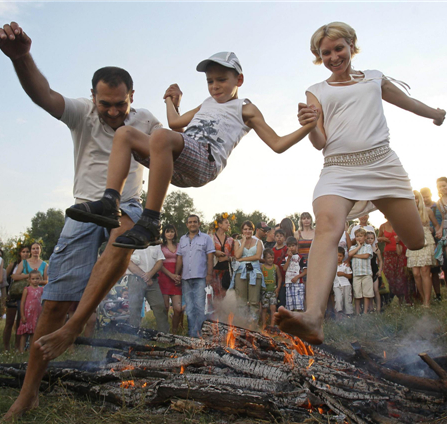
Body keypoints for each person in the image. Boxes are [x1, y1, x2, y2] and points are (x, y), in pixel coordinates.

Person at [0, 21, 163, 419]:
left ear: (131, 97)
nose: (113, 111)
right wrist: (22, 59)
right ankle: (28, 393)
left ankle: (77, 326)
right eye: (105, 104)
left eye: (120, 104)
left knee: (124, 237)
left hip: (129, 205)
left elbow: (170, 153)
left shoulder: (145, 120)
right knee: (53, 306)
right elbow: (44, 95)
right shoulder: (81, 113)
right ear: (93, 97)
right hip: (84, 209)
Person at [276, 21, 445, 343]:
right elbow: (320, 141)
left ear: (352, 45)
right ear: (318, 56)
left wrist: (435, 113)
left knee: (415, 241)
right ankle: (313, 317)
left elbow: (407, 102)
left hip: (382, 164)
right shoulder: (317, 90)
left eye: (339, 49)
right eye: (326, 53)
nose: (334, 56)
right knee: (327, 226)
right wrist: (311, 125)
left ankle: (382, 203)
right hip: (338, 168)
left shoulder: (373, 78)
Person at [66, 51, 318, 250]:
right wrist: (169, 100)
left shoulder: (245, 108)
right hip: (177, 162)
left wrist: (308, 126)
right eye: (210, 81)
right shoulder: (206, 103)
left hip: (205, 161)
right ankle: (111, 202)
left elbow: (277, 144)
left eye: (221, 80)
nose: (215, 86)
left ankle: (151, 220)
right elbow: (176, 122)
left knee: (161, 136)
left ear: (239, 80)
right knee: (125, 133)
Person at [176, 215, 215, 337]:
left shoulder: (206, 238)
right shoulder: (182, 239)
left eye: (195, 222)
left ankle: (201, 334)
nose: (192, 224)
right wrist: (177, 274)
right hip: (186, 278)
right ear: (187, 224)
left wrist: (209, 275)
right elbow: (180, 258)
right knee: (189, 308)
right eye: (190, 222)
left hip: (200, 277)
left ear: (199, 224)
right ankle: (192, 334)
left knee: (199, 306)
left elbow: (210, 258)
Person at [406, 191, 440, 307]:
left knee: (425, 271)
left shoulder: (428, 211)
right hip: (412, 241)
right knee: (416, 273)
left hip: (426, 241)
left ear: (419, 199)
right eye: (412, 198)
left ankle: (427, 301)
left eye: (416, 198)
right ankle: (422, 297)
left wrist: (437, 232)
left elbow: (437, 225)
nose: (414, 200)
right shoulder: (407, 212)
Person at [126, 245, 169, 333]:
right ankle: (134, 335)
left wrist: (149, 275)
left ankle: (165, 334)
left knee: (160, 307)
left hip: (153, 281)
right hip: (135, 280)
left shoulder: (155, 243)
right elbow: (128, 262)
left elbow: (159, 261)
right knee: (135, 308)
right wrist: (146, 277)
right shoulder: (131, 242)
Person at [232, 221, 265, 323]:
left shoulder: (258, 242)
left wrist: (243, 259)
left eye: (250, 229)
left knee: (254, 301)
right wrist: (243, 241)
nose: (248, 231)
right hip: (241, 272)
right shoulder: (237, 242)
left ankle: (253, 325)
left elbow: (257, 256)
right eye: (245, 229)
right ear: (242, 230)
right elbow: (237, 255)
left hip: (254, 271)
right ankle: (242, 324)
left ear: (253, 230)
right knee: (241, 301)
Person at [3, 244, 30, 351]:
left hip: (25, 296)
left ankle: (18, 346)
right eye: (23, 251)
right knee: (9, 322)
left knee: (20, 322)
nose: (26, 254)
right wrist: (5, 295)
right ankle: (6, 346)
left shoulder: (31, 265)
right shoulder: (13, 265)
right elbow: (6, 280)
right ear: (20, 253)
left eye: (27, 251)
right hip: (13, 295)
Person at [158, 225, 183, 333]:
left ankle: (174, 330)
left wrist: (178, 276)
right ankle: (164, 331)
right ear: (164, 233)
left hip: (176, 277)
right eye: (167, 232)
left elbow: (181, 260)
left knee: (178, 308)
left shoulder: (179, 245)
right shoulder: (160, 246)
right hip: (164, 276)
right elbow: (158, 263)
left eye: (172, 231)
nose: (170, 234)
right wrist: (170, 275)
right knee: (165, 307)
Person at [420, 187, 444, 300]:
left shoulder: (437, 206)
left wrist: (438, 231)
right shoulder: (419, 210)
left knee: (439, 268)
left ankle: (441, 293)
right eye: (423, 197)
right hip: (425, 240)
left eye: (427, 196)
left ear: (431, 195)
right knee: (427, 270)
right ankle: (430, 296)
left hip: (438, 238)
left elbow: (438, 222)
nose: (425, 199)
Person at [17, 270, 44, 352]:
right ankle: (21, 350)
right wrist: (22, 315)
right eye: (33, 279)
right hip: (27, 313)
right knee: (24, 333)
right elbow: (22, 302)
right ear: (29, 280)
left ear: (40, 279)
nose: (35, 280)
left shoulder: (41, 289)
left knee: (33, 332)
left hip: (36, 313)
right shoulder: (27, 289)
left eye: (37, 278)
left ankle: (31, 350)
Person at [348, 228, 373, 314]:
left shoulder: (368, 246)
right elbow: (350, 254)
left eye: (361, 236)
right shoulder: (353, 247)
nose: (359, 238)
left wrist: (355, 256)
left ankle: (365, 312)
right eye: (357, 236)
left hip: (366, 273)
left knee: (367, 294)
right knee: (357, 294)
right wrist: (358, 246)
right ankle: (357, 312)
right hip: (357, 274)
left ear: (365, 237)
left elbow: (366, 256)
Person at [211, 214, 235, 299]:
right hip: (213, 271)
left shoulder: (231, 240)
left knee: (225, 296)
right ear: (220, 224)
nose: (229, 225)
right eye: (226, 222)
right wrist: (214, 252)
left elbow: (235, 256)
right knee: (214, 296)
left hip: (226, 272)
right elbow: (204, 252)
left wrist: (228, 258)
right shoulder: (211, 238)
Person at [281, 237, 307, 312]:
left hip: (298, 283)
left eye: (293, 246)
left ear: (296, 246)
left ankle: (300, 321)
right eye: (289, 246)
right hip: (288, 283)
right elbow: (284, 269)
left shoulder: (300, 257)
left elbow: (305, 271)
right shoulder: (285, 258)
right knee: (290, 306)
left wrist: (297, 277)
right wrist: (289, 258)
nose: (291, 248)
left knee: (298, 305)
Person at [260, 249, 282, 328]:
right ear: (264, 258)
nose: (271, 259)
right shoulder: (262, 267)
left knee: (273, 308)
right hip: (264, 291)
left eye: (272, 258)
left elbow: (279, 277)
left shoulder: (275, 267)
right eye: (269, 258)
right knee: (264, 309)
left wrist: (278, 288)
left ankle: (272, 325)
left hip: (273, 291)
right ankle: (264, 324)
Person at [365, 231, 383, 312]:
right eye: (368, 238)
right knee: (369, 291)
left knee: (376, 290)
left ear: (374, 239)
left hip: (374, 271)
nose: (370, 240)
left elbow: (381, 260)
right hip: (367, 272)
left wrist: (380, 271)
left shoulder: (376, 249)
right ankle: (371, 307)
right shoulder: (364, 249)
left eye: (372, 238)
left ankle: (378, 308)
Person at [333, 247, 354, 316]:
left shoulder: (345, 265)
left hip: (346, 285)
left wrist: (343, 274)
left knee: (347, 300)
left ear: (343, 256)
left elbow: (350, 276)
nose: (338, 258)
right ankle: (339, 315)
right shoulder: (332, 266)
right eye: (337, 256)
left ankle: (349, 315)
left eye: (340, 256)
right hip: (336, 285)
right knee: (338, 299)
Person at [272, 229, 288, 310]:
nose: (279, 238)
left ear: (284, 238)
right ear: (274, 238)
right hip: (274, 277)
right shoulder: (273, 250)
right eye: (277, 236)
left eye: (281, 236)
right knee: (274, 298)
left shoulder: (286, 249)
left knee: (282, 297)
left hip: (284, 276)